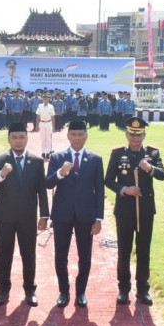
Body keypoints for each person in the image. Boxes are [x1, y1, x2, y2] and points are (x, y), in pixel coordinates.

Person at [105, 117, 164, 306]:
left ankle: (143, 290)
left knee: (143, 250)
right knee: (124, 250)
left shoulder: (152, 153)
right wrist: (125, 190)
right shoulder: (117, 154)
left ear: (144, 135)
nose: (135, 138)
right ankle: (124, 289)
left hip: (145, 211)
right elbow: (108, 180)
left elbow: (163, 175)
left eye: (139, 135)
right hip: (124, 210)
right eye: (132, 134)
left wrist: (151, 169)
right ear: (126, 134)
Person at [0, 122, 49, 307]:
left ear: (27, 138)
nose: (18, 141)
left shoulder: (37, 161)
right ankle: (3, 290)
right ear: (8, 139)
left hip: (27, 216)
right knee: (4, 254)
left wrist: (44, 215)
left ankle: (30, 290)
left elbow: (42, 190)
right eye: (14, 137)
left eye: (22, 137)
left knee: (28, 254)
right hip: (5, 216)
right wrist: (1, 174)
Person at [46, 121, 105, 308]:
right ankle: (64, 292)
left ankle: (81, 292)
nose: (77, 138)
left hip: (86, 215)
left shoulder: (95, 159)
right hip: (62, 214)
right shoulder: (57, 157)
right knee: (60, 255)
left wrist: (98, 218)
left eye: (81, 134)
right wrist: (61, 173)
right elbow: (47, 183)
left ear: (86, 135)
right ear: (68, 136)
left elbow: (99, 190)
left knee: (84, 255)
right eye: (74, 134)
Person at [35, 94, 55, 159]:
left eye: (47, 99)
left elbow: (53, 117)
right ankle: (43, 153)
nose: (45, 100)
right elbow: (38, 116)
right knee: (43, 139)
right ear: (42, 99)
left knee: (48, 139)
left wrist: (54, 126)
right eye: (44, 99)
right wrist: (37, 125)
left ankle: (48, 153)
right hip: (42, 123)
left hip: (49, 123)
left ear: (48, 99)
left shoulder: (51, 106)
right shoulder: (40, 106)